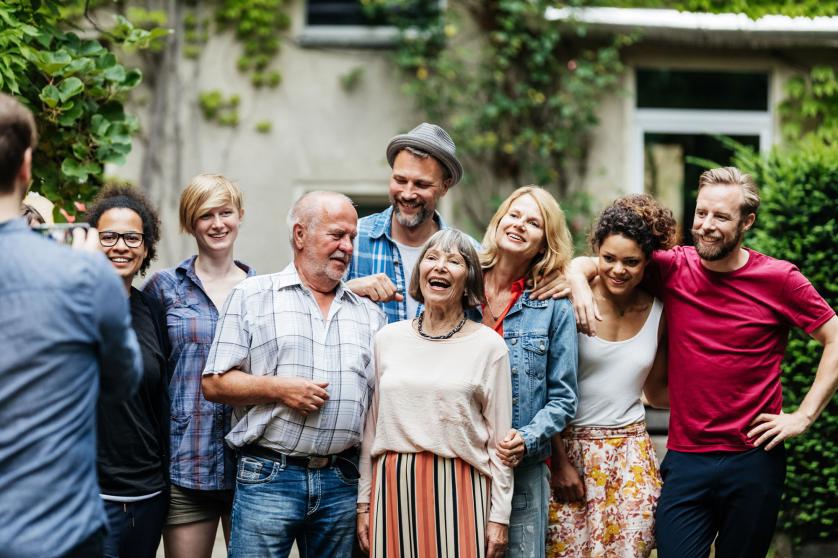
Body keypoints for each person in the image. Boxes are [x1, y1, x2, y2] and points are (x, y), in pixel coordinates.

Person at [569, 168, 838, 558]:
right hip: (687, 459)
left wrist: (804, 415)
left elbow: (834, 335)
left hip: (754, 459)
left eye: (721, 217)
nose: (706, 226)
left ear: (747, 222)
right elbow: (607, 259)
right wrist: (577, 279)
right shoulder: (673, 267)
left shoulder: (779, 279)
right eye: (701, 213)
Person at [202, 191, 386, 558]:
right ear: (300, 235)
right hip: (269, 476)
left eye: (352, 237)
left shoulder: (368, 314)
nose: (347, 246)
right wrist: (280, 389)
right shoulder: (253, 296)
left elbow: (374, 411)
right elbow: (214, 383)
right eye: (337, 235)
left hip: (342, 481)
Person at [0, 93, 142, 557]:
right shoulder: (83, 273)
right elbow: (123, 381)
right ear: (26, 167)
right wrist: (90, 274)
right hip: (57, 532)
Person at [357, 228, 514, 558]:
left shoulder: (489, 347)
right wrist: (364, 500)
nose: (440, 267)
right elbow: (371, 430)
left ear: (469, 279)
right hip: (392, 487)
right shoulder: (387, 338)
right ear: (420, 273)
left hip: (462, 488)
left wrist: (499, 517)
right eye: (431, 258)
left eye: (454, 261)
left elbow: (500, 442)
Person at [547, 194, 675, 557]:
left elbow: (655, 391)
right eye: (609, 259)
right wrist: (559, 462)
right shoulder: (568, 301)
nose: (618, 269)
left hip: (631, 455)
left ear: (646, 263)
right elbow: (543, 387)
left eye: (631, 262)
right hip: (571, 450)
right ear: (596, 254)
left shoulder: (659, 312)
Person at [142, 174, 254, 558]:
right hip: (186, 463)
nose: (218, 223)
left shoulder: (262, 291)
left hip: (251, 468)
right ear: (190, 222)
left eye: (226, 212)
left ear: (240, 215)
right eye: (206, 215)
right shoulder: (164, 288)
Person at [477, 186, 579, 558]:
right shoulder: (461, 283)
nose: (519, 225)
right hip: (460, 461)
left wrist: (528, 437)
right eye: (514, 215)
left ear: (544, 243)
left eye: (533, 223)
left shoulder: (554, 306)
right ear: (499, 220)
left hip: (521, 469)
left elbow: (564, 398)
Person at [86, 185, 170, 558]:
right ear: (91, 242)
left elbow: (159, 398)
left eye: (132, 237)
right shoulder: (72, 304)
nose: (121, 246)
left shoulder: (152, 309)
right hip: (90, 494)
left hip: (148, 495)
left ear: (146, 247)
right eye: (109, 236)